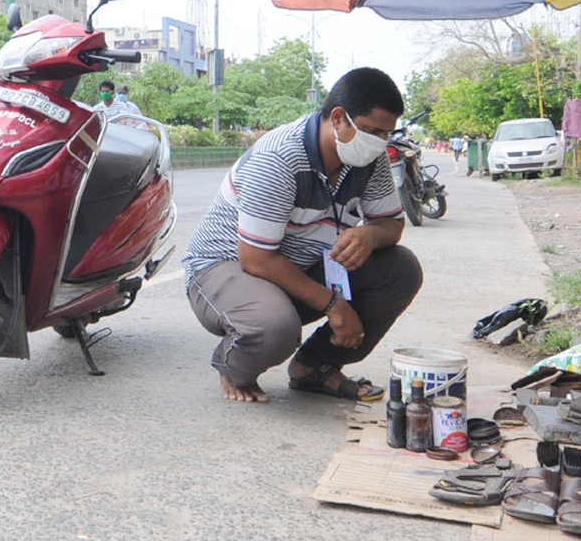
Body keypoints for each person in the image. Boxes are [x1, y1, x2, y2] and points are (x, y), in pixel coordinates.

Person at [181, 67, 423, 403]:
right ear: (339, 118)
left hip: (297, 265)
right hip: (228, 266)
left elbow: (392, 225)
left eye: (386, 134)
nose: (380, 143)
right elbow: (256, 258)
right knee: (273, 327)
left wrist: (369, 234)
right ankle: (233, 366)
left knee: (401, 269)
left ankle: (314, 368)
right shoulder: (279, 157)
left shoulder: (371, 158)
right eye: (372, 131)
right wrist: (333, 303)